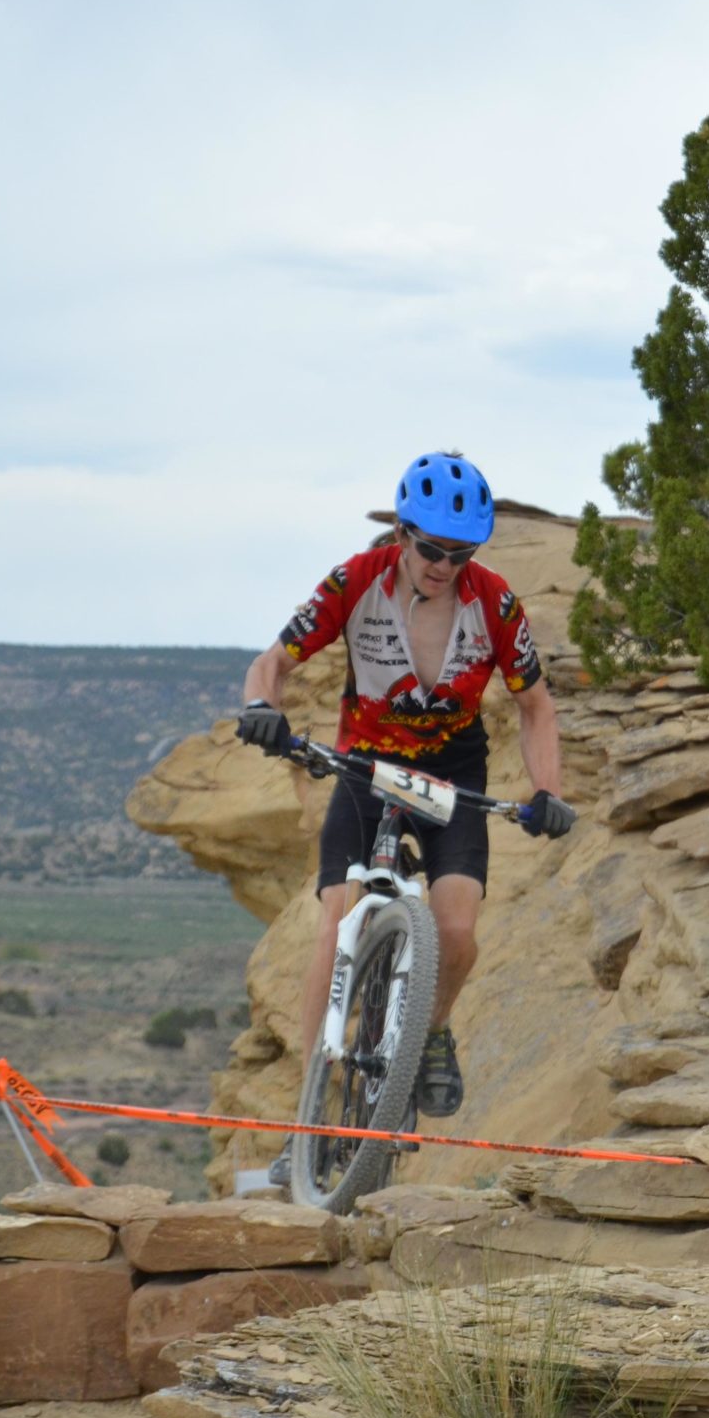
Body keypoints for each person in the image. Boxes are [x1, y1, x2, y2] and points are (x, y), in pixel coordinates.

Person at [233, 451, 573, 1137]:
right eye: (430, 548)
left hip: (454, 770)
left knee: (456, 932)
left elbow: (535, 707)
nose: (443, 565)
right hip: (366, 761)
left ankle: (431, 1029)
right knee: (337, 920)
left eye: (459, 552)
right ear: (402, 536)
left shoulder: (496, 603)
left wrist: (548, 792)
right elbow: (272, 661)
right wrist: (260, 706)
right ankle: (310, 1113)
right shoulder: (356, 581)